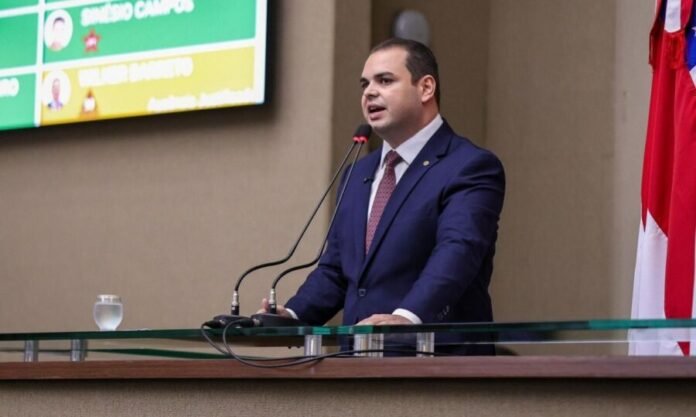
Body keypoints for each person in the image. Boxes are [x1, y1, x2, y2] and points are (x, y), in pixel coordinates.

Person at [259, 38, 505, 354]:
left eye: (385, 81)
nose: (369, 93)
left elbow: (458, 251)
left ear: (426, 88)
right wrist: (292, 317)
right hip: (358, 364)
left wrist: (407, 318)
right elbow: (337, 270)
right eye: (365, 84)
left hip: (436, 364)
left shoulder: (468, 166)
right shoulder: (357, 172)